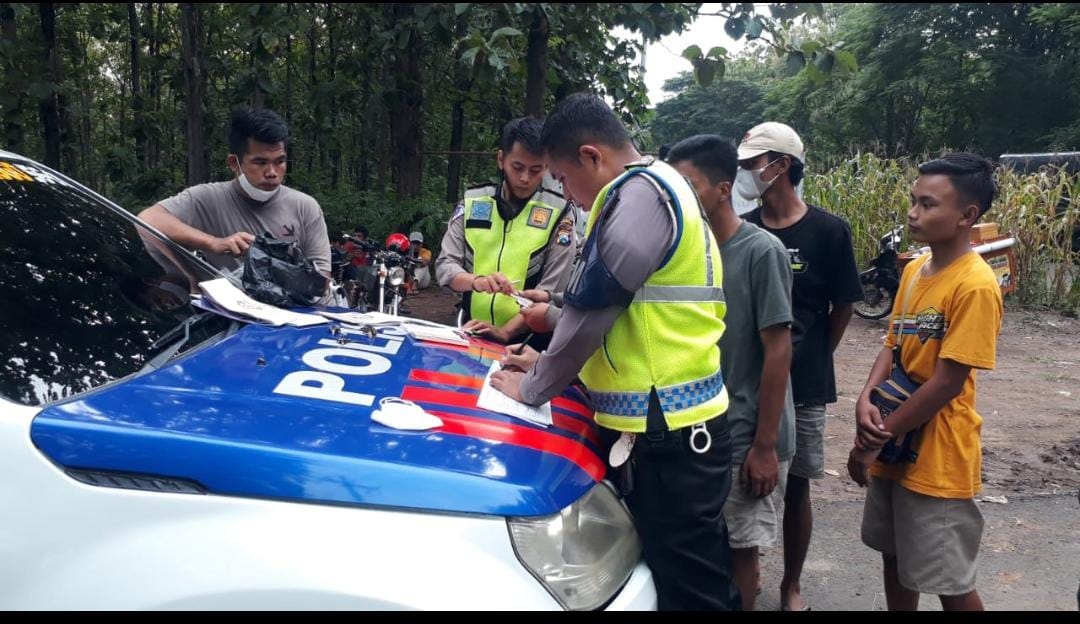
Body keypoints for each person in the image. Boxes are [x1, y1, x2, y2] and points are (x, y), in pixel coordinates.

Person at [490, 93, 740, 611]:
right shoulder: (661, 188)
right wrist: (549, 340)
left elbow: (596, 308)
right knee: (675, 574)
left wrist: (537, 384)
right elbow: (630, 315)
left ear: (590, 156)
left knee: (691, 588)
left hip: (670, 432)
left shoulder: (640, 195)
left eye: (561, 176)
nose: (566, 192)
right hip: (671, 424)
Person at [847, 153, 1003, 612]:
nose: (914, 213)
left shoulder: (974, 285)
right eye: (914, 201)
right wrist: (864, 399)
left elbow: (947, 383)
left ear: (966, 216)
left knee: (947, 578)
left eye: (929, 205)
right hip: (895, 441)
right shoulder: (915, 270)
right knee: (895, 559)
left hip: (938, 454)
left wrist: (874, 439)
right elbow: (892, 345)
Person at [737, 121, 863, 612]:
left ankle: (792, 584)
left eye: (753, 163)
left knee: (797, 486)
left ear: (781, 165)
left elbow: (844, 305)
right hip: (748, 377)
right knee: (744, 478)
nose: (747, 173)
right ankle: (750, 565)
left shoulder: (829, 231)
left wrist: (812, 355)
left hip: (805, 381)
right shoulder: (744, 226)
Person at [667, 135, 796, 611]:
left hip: (748, 429)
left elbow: (779, 350)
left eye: (689, 186)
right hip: (705, 425)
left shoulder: (761, 252)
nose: (679, 199)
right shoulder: (683, 252)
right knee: (707, 545)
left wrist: (764, 448)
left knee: (742, 549)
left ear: (723, 190)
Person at [139, 107, 333, 301]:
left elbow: (322, 281)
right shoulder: (206, 198)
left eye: (280, 161)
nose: (272, 172)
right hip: (226, 322)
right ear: (234, 163)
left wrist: (270, 262)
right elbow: (148, 218)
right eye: (260, 162)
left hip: (294, 320)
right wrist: (214, 243)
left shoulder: (305, 206)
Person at [435, 116, 576, 345]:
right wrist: (477, 281)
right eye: (517, 167)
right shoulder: (473, 202)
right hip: (472, 332)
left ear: (547, 167)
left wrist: (506, 332)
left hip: (529, 343)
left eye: (535, 170)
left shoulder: (559, 213)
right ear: (501, 159)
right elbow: (445, 266)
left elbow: (552, 290)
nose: (524, 178)